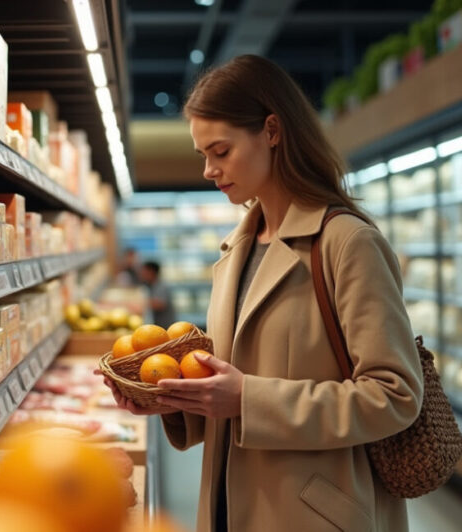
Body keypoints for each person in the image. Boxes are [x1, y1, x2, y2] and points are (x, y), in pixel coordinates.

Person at [102, 54, 423, 532]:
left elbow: (395, 396)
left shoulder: (347, 242)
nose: (209, 170)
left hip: (314, 511)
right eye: (203, 156)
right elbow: (235, 379)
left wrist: (248, 400)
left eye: (221, 151)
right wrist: (172, 400)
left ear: (272, 131)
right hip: (231, 505)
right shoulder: (237, 247)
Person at [139, 261, 177, 328]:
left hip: (166, 326)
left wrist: (140, 303)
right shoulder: (151, 285)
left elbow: (160, 305)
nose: (142, 274)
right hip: (160, 325)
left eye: (144, 271)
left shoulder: (161, 286)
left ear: (151, 272)